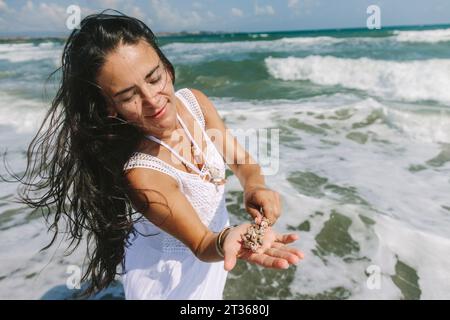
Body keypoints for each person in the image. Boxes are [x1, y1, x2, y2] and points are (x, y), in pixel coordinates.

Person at [14, 11, 303, 299]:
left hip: (217, 248)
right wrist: (228, 239)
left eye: (154, 78)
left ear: (167, 67)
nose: (153, 100)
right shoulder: (142, 173)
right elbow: (202, 242)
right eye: (129, 96)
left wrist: (255, 185)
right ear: (109, 108)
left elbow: (241, 161)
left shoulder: (195, 103)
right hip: (170, 275)